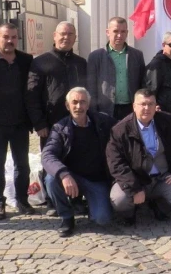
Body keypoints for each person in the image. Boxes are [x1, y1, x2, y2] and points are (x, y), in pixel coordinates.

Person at [26, 21, 87, 216]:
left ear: (75, 38)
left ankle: (77, 200)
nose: (65, 37)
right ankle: (53, 201)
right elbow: (31, 95)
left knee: (78, 160)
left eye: (70, 34)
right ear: (54, 35)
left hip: (77, 121)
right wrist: (39, 123)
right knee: (51, 160)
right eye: (62, 34)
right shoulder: (41, 62)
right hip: (50, 123)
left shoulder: (80, 62)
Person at [0, 23, 36, 220]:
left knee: (22, 165)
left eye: (13, 37)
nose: (10, 41)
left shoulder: (26, 60)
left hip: (19, 122)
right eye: (5, 37)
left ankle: (22, 200)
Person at [108, 89, 171, 224]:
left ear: (155, 106)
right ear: (134, 106)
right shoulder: (120, 129)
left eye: (151, 104)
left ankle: (157, 202)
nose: (147, 108)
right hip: (136, 179)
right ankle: (131, 211)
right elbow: (116, 163)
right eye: (142, 104)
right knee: (119, 200)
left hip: (162, 178)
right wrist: (135, 188)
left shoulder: (167, 121)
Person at [41, 87, 117, 237]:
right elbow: (47, 155)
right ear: (67, 106)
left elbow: (125, 127)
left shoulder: (102, 121)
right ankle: (67, 217)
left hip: (96, 180)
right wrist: (64, 175)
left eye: (83, 102)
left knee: (102, 219)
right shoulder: (60, 128)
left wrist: (147, 114)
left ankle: (87, 203)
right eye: (74, 102)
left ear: (88, 105)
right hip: (71, 177)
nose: (78, 106)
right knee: (51, 179)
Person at [87, 17, 146, 120]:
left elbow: (142, 83)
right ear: (107, 32)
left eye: (123, 31)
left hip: (131, 109)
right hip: (106, 110)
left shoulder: (137, 55)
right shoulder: (95, 56)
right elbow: (91, 87)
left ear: (127, 33)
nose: (119, 35)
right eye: (115, 31)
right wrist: (93, 111)